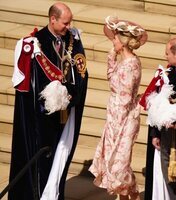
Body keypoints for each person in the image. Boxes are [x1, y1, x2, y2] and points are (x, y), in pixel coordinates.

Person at [8, 2, 88, 200]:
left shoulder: (72, 39)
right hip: (43, 117)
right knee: (42, 161)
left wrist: (71, 95)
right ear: (53, 19)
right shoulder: (36, 42)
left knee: (59, 159)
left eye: (70, 22)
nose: (68, 27)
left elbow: (81, 71)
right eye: (65, 23)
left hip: (66, 111)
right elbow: (33, 87)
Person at [89, 16, 148, 200]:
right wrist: (112, 55)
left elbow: (125, 97)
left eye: (115, 38)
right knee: (118, 164)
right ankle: (131, 196)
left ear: (122, 42)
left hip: (124, 119)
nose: (112, 41)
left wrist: (117, 124)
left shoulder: (131, 64)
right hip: (115, 117)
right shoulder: (124, 60)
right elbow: (111, 78)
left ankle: (133, 195)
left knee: (119, 166)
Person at [140, 37, 176, 200]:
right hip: (165, 134)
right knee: (166, 174)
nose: (165, 56)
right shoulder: (166, 74)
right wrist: (155, 133)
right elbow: (156, 104)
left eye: (168, 53)